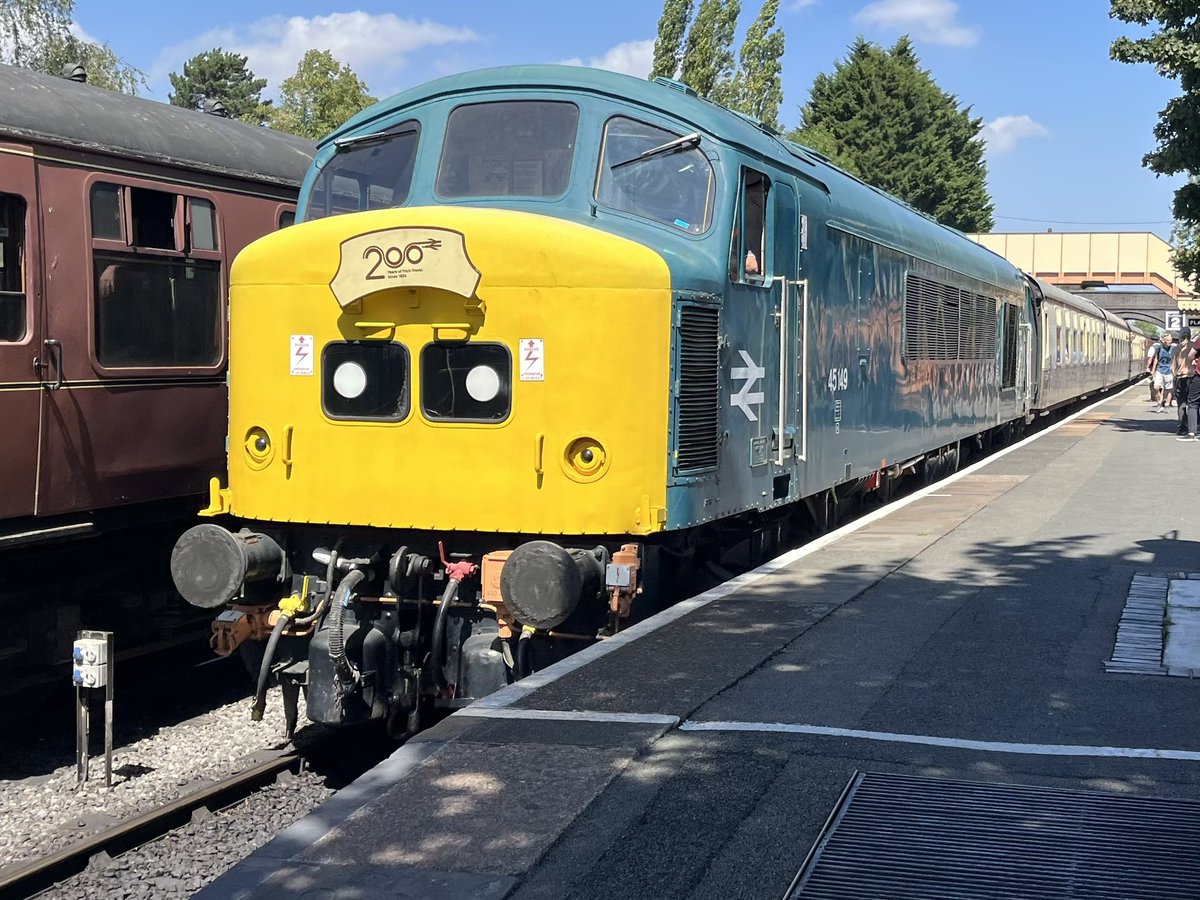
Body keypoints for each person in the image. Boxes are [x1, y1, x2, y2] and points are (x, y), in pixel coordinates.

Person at [1174, 327, 1194, 437]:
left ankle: (1182, 427)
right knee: (1194, 404)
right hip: (1194, 377)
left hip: (1181, 378)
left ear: (1180, 336)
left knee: (1182, 404)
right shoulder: (1195, 346)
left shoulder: (1176, 349)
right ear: (1190, 335)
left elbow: (1173, 367)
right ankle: (1193, 426)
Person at [1147, 331, 1174, 411]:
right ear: (1164, 341)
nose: (1169, 342)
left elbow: (1175, 360)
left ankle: (1167, 404)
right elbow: (1156, 359)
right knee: (1156, 387)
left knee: (1169, 389)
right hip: (1160, 370)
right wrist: (1153, 369)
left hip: (1169, 371)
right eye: (1168, 340)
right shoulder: (1159, 348)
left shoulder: (1173, 349)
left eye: (1170, 340)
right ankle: (1159, 402)